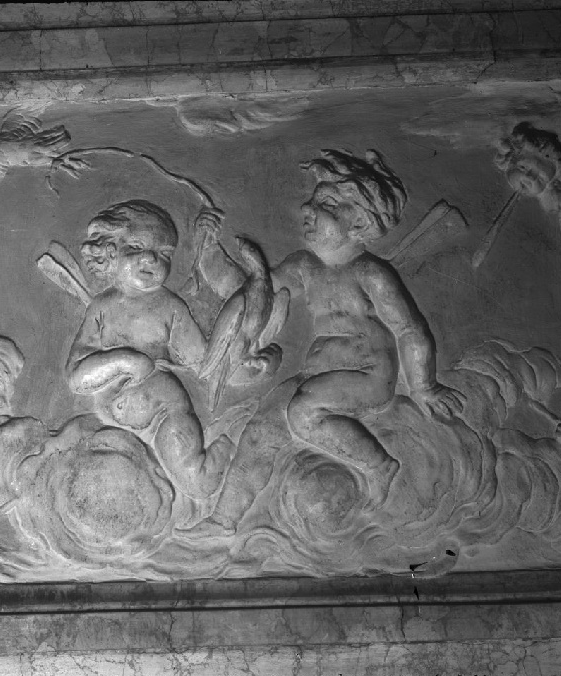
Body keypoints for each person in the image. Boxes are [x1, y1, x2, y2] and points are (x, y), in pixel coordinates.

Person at [195, 149, 464, 525]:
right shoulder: (304, 266)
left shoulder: (371, 273)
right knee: (261, 428)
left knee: (303, 411)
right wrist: (208, 250)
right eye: (312, 200)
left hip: (368, 376)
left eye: (327, 203)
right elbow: (256, 292)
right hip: (316, 376)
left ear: (359, 220)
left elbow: (409, 329)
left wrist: (424, 386)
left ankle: (379, 465)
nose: (307, 208)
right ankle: (222, 520)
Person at [65, 200, 232, 505]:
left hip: (165, 416)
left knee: (195, 481)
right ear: (111, 252)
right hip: (111, 424)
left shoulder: (171, 307)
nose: (152, 258)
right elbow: (78, 378)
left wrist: (241, 359)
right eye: (137, 246)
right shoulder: (102, 308)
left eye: (165, 253)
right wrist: (125, 361)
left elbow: (202, 362)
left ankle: (228, 443)